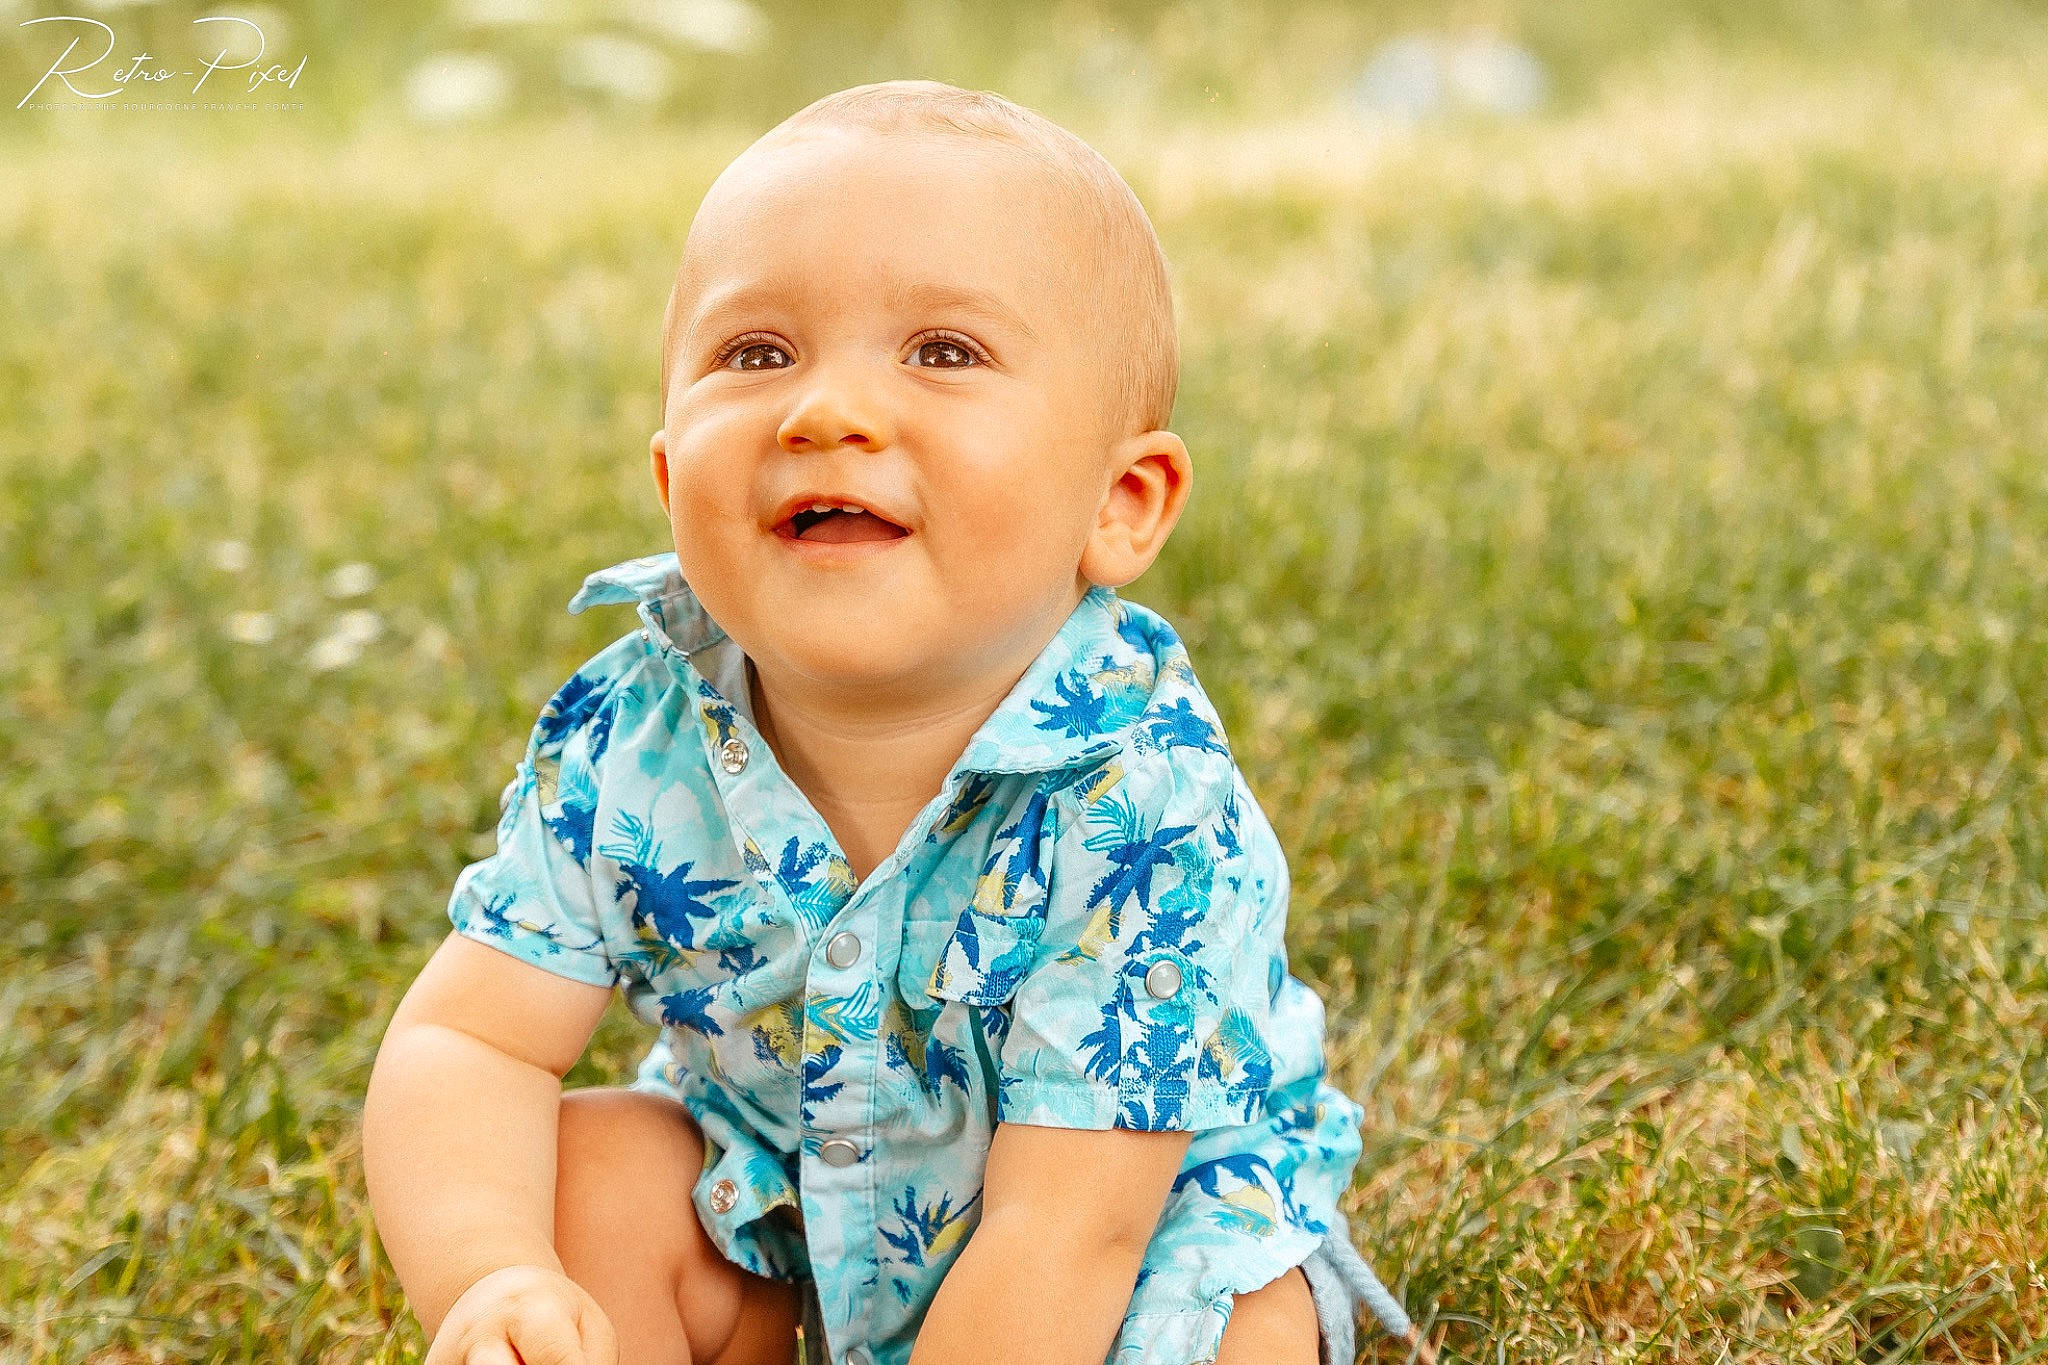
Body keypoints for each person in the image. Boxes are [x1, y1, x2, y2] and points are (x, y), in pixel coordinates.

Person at [362, 78, 1429, 1365]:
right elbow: (465, 1037)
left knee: (1234, 1338)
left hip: (1113, 1239)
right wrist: (490, 1274)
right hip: (791, 1191)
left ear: (1122, 501)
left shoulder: (1140, 800)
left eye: (942, 352)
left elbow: (1063, 1234)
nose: (824, 411)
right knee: (587, 1177)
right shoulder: (629, 735)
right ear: (666, 480)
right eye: (756, 354)